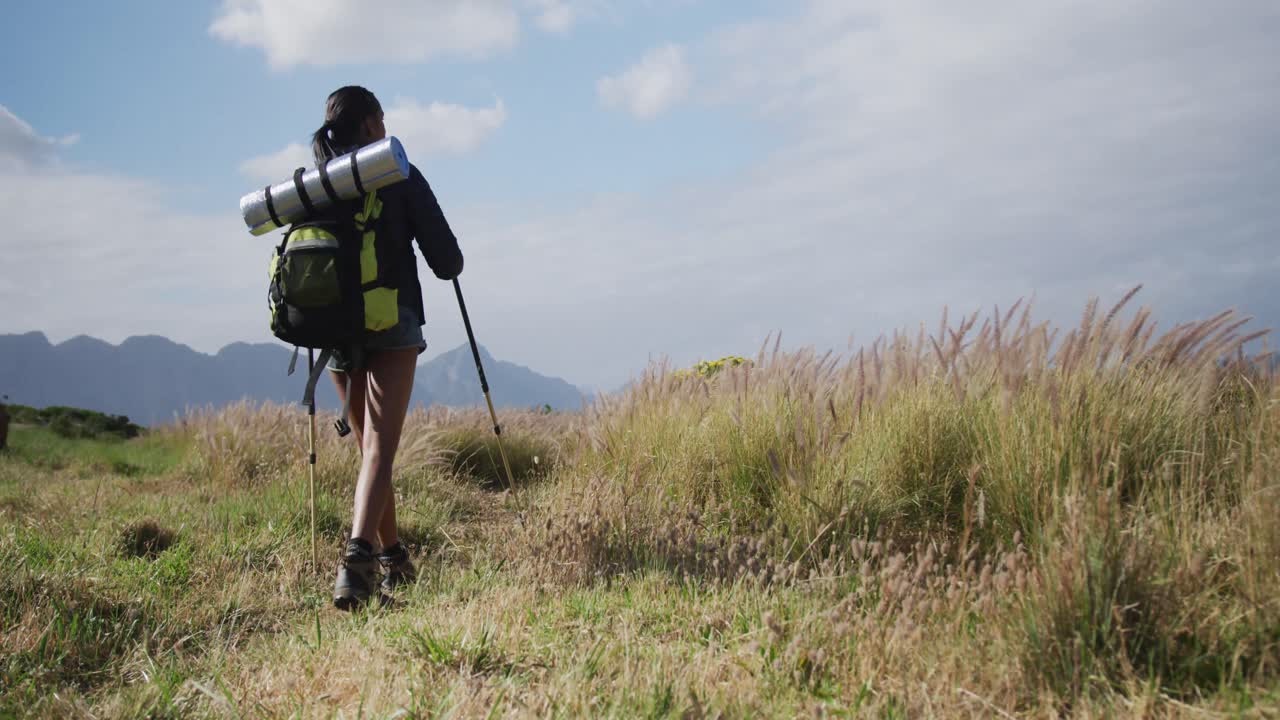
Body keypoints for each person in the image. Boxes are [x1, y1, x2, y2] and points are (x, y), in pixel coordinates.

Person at [311, 86, 464, 609]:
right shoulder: (400, 173)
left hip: (335, 333)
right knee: (378, 450)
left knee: (370, 452)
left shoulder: (319, 185)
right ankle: (355, 567)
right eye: (382, 116)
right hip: (393, 323)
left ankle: (394, 557)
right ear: (373, 125)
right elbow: (447, 260)